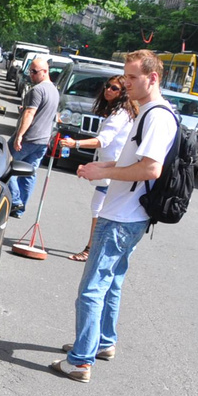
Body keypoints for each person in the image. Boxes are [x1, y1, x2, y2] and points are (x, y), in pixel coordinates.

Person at [52, 50, 176, 382]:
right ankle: (102, 342)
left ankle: (80, 360)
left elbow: (150, 169)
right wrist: (101, 167)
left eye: (133, 78)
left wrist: (105, 174)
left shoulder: (157, 117)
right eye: (125, 77)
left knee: (93, 287)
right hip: (127, 214)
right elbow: (129, 161)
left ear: (153, 78)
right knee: (113, 282)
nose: (125, 84)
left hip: (123, 216)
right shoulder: (146, 112)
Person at [63, 76, 135, 261]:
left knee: (99, 208)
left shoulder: (120, 115)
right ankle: (97, 249)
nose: (108, 90)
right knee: (104, 209)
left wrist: (75, 143)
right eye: (107, 86)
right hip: (112, 168)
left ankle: (91, 249)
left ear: (123, 94)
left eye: (114, 88)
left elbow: (103, 141)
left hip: (113, 170)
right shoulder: (120, 112)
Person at [8, 55, 59, 217]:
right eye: (30, 71)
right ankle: (20, 208)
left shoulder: (37, 90)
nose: (31, 74)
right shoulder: (54, 91)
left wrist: (19, 136)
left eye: (35, 71)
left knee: (7, 166)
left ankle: (16, 202)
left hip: (30, 138)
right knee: (29, 173)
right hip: (43, 140)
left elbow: (30, 113)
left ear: (45, 71)